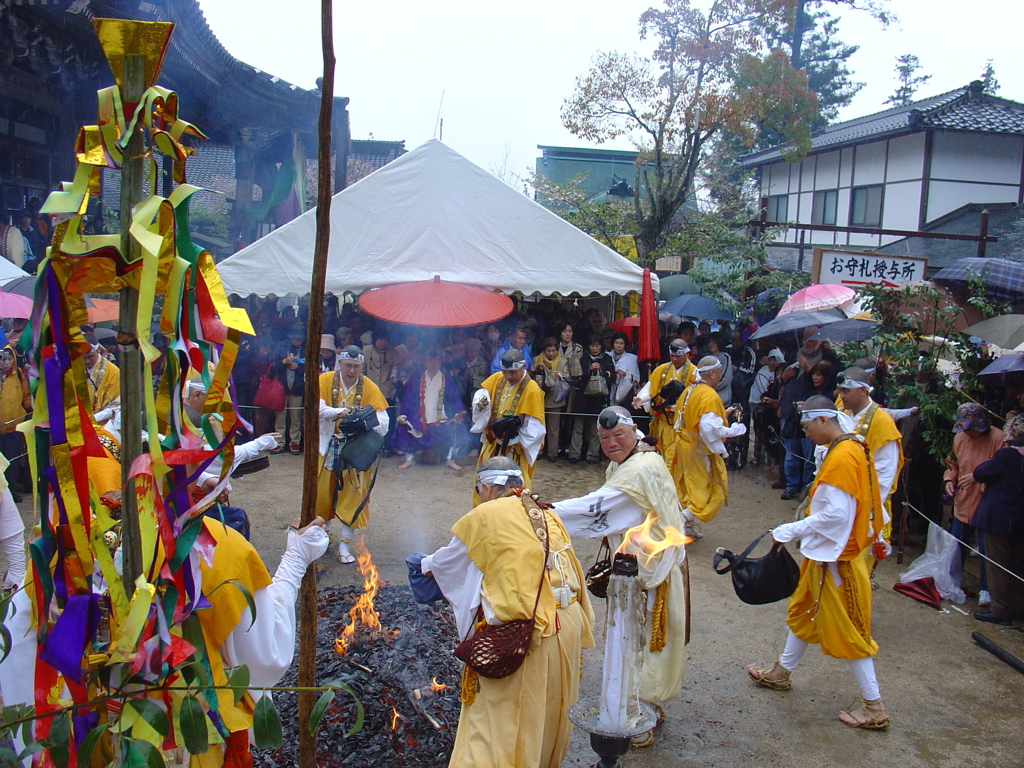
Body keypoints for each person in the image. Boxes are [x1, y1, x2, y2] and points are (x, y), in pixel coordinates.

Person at [0, 514, 330, 765]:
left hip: (76, 741)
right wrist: (295, 561)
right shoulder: (215, 545)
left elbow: (18, 655)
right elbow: (265, 656)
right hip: (184, 742)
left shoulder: (61, 544)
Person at [416, 457, 594, 767]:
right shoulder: (546, 512)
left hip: (527, 637)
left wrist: (422, 565)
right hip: (567, 626)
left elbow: (450, 564)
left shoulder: (487, 515)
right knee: (547, 719)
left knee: (498, 725)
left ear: (486, 487)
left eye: (478, 489)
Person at [747, 395, 890, 730]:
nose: (805, 432)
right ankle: (781, 672)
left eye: (808, 426)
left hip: (838, 560)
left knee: (851, 631)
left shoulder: (844, 455)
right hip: (826, 555)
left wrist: (790, 529)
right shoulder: (855, 446)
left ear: (824, 420)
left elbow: (836, 513)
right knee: (805, 610)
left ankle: (874, 706)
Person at [551, 406, 688, 746]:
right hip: (640, 565)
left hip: (651, 570)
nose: (612, 443)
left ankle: (637, 715)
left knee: (639, 639)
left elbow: (597, 506)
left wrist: (547, 514)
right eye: (604, 438)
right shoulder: (630, 462)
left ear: (633, 432)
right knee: (640, 639)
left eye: (618, 435)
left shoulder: (639, 468)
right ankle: (645, 704)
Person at [316, 345, 390, 563]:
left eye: (356, 367)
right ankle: (322, 537)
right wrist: (341, 412)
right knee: (322, 494)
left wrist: (363, 422)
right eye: (347, 365)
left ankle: (345, 546)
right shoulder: (325, 380)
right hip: (327, 444)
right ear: (340, 363)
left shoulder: (369, 386)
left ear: (361, 367)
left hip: (355, 450)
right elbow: (316, 408)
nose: (351, 371)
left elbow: (384, 422)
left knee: (354, 495)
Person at [674, 356, 746, 532]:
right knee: (703, 493)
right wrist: (736, 430)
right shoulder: (708, 395)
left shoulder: (690, 390)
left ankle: (686, 527)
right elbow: (708, 429)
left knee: (690, 490)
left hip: (683, 447)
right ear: (712, 373)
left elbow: (701, 419)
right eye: (720, 373)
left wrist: (724, 414)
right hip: (698, 451)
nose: (721, 377)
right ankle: (679, 525)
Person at [943, 403, 1003, 607]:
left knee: (987, 548)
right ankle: (953, 580)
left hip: (987, 501)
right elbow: (952, 464)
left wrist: (979, 478)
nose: (966, 432)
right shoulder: (959, 438)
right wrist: (949, 480)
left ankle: (987, 588)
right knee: (957, 543)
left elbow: (1002, 469)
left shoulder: (998, 439)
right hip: (963, 499)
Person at [837, 367, 903, 543]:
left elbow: (884, 473)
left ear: (862, 391)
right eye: (840, 390)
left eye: (846, 391)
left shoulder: (882, 422)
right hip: (839, 500)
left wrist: (862, 507)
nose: (841, 395)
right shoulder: (842, 414)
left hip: (865, 504)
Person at [470, 348, 545, 505]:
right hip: (492, 446)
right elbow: (481, 395)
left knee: (513, 493)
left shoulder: (532, 390)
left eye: (513, 372)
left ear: (523, 367)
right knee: (484, 486)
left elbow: (535, 429)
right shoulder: (497, 378)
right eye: (505, 372)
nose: (509, 376)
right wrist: (480, 405)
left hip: (515, 451)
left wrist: (512, 438)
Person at [970, 412, 1024, 625]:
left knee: (997, 566)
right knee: (1017, 565)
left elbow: (981, 472)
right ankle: (1018, 607)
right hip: (1019, 520)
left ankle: (1000, 610)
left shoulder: (1007, 456)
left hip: (1000, 518)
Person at [633, 339, 697, 506]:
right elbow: (651, 388)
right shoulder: (662, 370)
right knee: (659, 458)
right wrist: (641, 398)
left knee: (673, 461)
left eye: (678, 356)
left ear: (686, 354)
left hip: (681, 425)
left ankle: (674, 500)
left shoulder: (694, 372)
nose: (675, 359)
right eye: (672, 355)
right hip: (662, 422)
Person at [392, 345, 466, 470]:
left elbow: (454, 398)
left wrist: (457, 414)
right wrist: (404, 414)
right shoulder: (417, 379)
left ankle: (450, 458)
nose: (433, 364)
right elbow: (408, 399)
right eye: (430, 361)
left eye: (436, 360)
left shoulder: (447, 378)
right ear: (425, 362)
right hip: (421, 420)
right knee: (403, 426)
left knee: (459, 429)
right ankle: (410, 459)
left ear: (440, 362)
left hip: (442, 420)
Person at [532, 336, 580, 463]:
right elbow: (532, 378)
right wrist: (539, 371)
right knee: (538, 426)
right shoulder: (537, 360)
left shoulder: (563, 360)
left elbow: (569, 376)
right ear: (544, 351)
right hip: (540, 397)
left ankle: (552, 453)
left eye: (554, 351)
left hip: (556, 397)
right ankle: (538, 451)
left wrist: (561, 376)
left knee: (554, 428)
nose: (551, 353)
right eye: (549, 351)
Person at [570, 337, 615, 464]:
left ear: (601, 346)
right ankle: (574, 454)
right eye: (592, 346)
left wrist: (602, 372)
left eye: (597, 345)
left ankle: (592, 455)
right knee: (578, 427)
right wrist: (589, 370)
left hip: (599, 399)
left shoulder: (607, 359)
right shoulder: (583, 358)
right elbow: (577, 376)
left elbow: (612, 377)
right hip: (583, 398)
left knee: (595, 429)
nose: (594, 348)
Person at [0, 344, 31, 499]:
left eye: (9, 358)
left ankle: (11, 491)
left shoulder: (18, 374)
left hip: (13, 427)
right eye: (2, 359)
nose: (6, 362)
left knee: (11, 461)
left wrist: (28, 411)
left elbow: (26, 396)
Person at [274, 322, 307, 455]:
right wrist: (284, 362)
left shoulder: (307, 348)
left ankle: (295, 442)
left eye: (300, 338)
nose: (298, 341)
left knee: (296, 417)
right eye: (296, 338)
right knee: (280, 417)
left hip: (297, 387)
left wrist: (297, 367)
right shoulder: (281, 347)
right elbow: (272, 364)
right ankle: (279, 443)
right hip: (281, 387)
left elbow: (312, 366)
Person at [83, 335, 120, 421]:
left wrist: (94, 418)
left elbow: (117, 406)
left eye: (90, 357)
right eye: (83, 358)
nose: (86, 361)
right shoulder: (74, 368)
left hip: (102, 423)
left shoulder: (113, 371)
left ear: (98, 350)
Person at [608, 331, 641, 408]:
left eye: (621, 343)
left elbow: (636, 380)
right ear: (613, 344)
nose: (619, 346)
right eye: (616, 343)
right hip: (608, 391)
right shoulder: (607, 355)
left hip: (624, 395)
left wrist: (626, 375)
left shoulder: (632, 358)